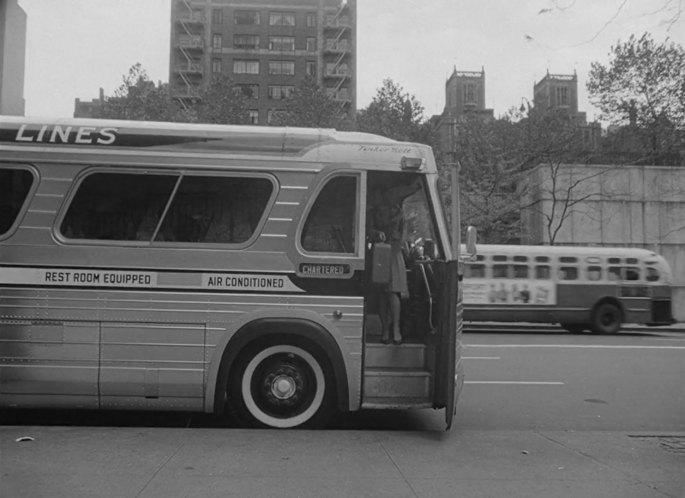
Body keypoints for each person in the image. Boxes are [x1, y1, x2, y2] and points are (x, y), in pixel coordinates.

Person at [368, 178, 421, 345]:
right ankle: (386, 328)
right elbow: (368, 230)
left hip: (394, 251)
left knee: (393, 292)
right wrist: (377, 234)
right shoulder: (374, 213)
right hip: (380, 252)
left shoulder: (398, 213)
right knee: (383, 294)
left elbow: (402, 234)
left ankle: (395, 328)